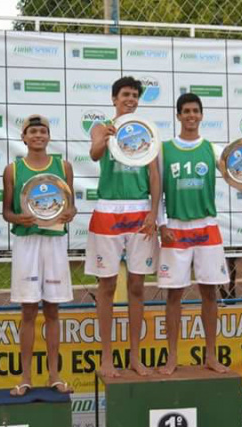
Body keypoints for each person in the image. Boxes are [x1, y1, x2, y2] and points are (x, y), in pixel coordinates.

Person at [157, 93, 242, 374]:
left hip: (206, 226)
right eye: (186, 111)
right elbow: (156, 191)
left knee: (210, 293)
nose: (191, 116)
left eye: (195, 111)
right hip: (176, 228)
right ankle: (172, 357)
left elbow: (238, 181)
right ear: (178, 115)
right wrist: (161, 225)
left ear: (201, 114)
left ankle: (210, 355)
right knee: (174, 296)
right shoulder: (164, 149)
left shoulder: (213, 149)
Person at [84, 76, 161, 377]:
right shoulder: (102, 126)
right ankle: (106, 357)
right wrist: (105, 137)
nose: (130, 99)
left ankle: (135, 356)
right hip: (108, 211)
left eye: (134, 95)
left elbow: (155, 175)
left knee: (138, 286)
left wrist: (153, 213)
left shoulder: (146, 131)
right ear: (114, 98)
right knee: (106, 286)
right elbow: (94, 154)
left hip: (139, 211)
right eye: (125, 95)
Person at [3, 114, 77, 396]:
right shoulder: (12, 169)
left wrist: (70, 213)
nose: (38, 135)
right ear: (24, 137)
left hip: (54, 242)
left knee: (53, 309)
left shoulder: (63, 166)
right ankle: (25, 377)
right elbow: (7, 212)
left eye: (42, 131)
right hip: (27, 243)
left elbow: (70, 208)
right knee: (28, 311)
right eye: (32, 131)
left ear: (48, 136)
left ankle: (54, 376)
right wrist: (16, 219)